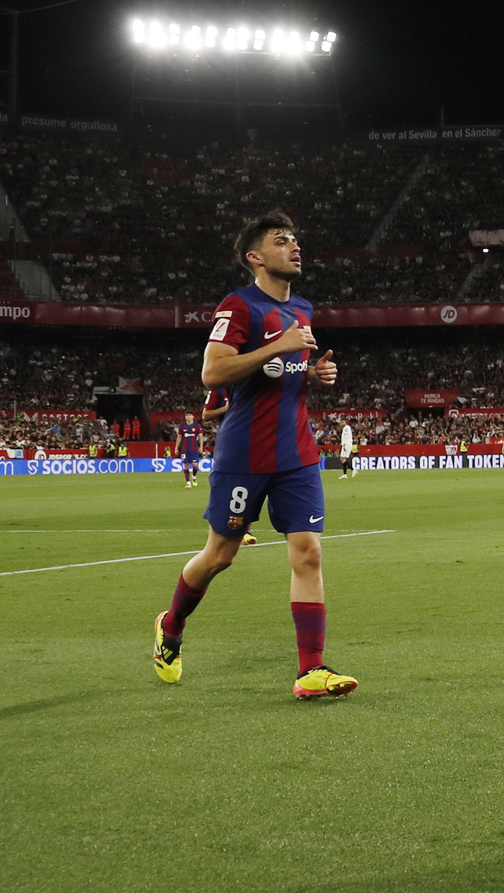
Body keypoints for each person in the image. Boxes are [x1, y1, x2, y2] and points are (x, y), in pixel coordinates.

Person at [152, 211, 355, 700]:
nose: (294, 246)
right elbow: (213, 373)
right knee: (219, 555)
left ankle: (311, 671)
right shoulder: (239, 306)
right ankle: (171, 623)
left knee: (308, 552)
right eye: (281, 240)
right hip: (244, 454)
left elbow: (283, 375)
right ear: (255, 258)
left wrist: (311, 376)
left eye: (296, 239)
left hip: (298, 453)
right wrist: (278, 346)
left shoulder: (302, 308)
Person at [176, 411, 204, 489]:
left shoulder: (197, 426)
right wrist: (176, 447)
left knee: (195, 465)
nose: (188, 417)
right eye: (187, 415)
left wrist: (201, 446)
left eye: (190, 415)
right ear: (185, 417)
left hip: (194, 449)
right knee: (186, 465)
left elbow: (201, 436)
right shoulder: (182, 426)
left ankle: (194, 476)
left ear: (193, 417)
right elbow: (179, 437)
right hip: (184, 449)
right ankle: (188, 483)